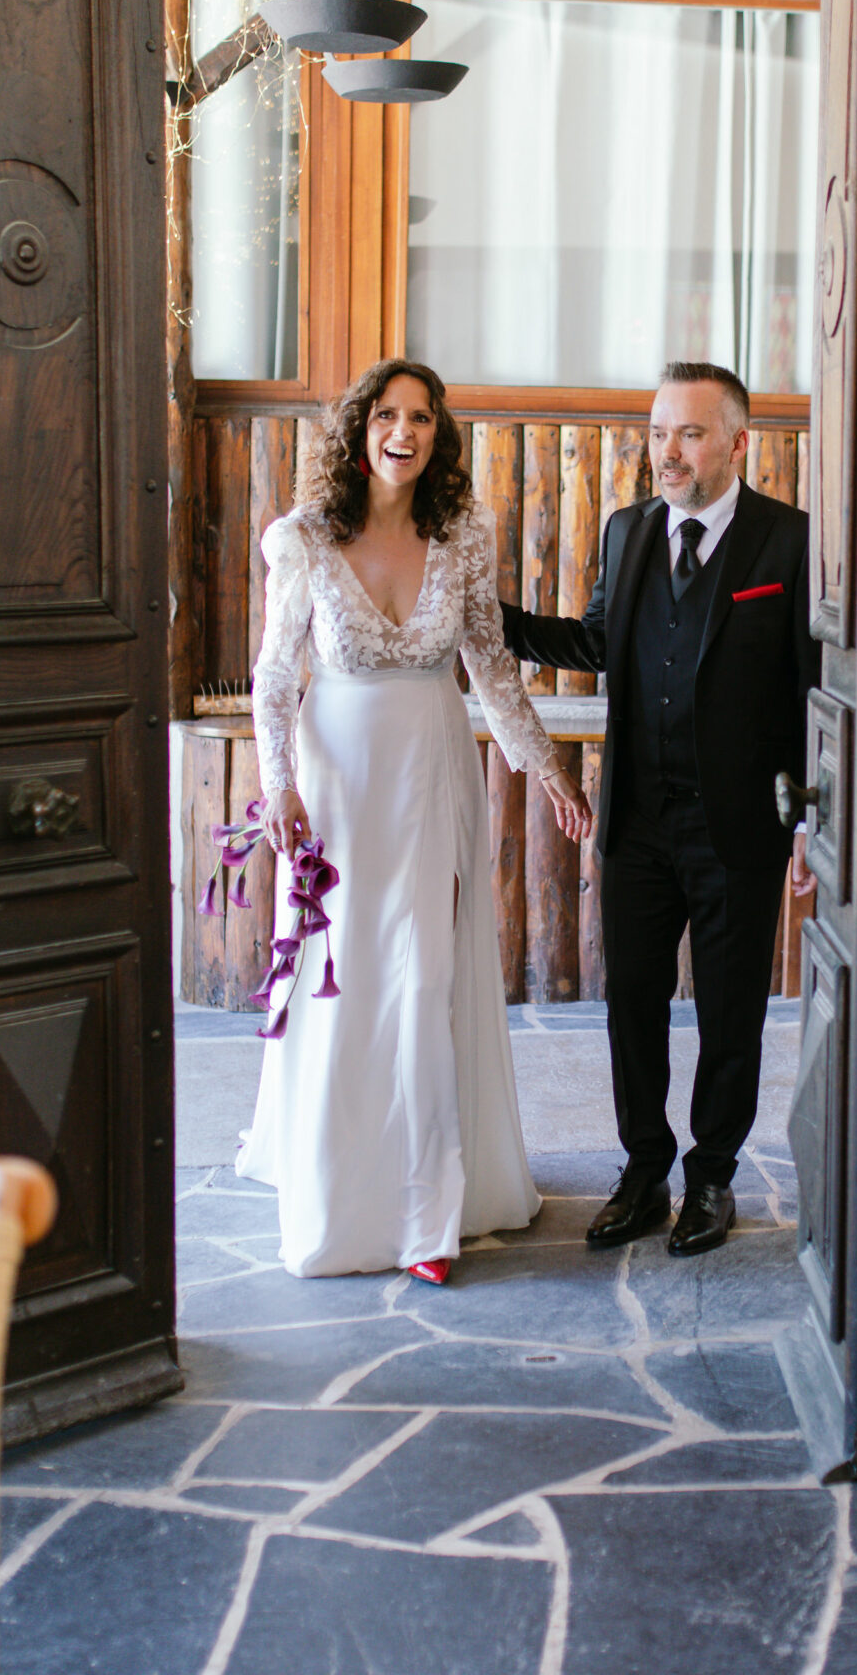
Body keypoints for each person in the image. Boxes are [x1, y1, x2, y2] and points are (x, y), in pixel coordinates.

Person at [237, 361, 592, 1283]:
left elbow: (491, 667)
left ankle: (426, 1214)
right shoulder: (303, 539)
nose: (404, 432)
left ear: (438, 434)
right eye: (387, 415)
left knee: (424, 977)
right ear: (359, 429)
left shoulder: (462, 536)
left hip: (432, 773)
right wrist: (279, 786)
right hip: (337, 786)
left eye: (422, 418)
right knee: (346, 980)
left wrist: (546, 768)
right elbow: (274, 677)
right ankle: (340, 1192)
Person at [501, 362, 818, 1257]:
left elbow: (810, 689)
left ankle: (711, 1175)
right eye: (657, 433)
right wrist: (494, 620)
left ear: (737, 443)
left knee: (729, 1013)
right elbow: (599, 640)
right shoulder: (629, 529)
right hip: (637, 821)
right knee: (630, 1004)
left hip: (738, 827)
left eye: (688, 433)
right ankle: (643, 1170)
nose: (666, 452)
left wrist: (806, 818)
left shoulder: (789, 542)